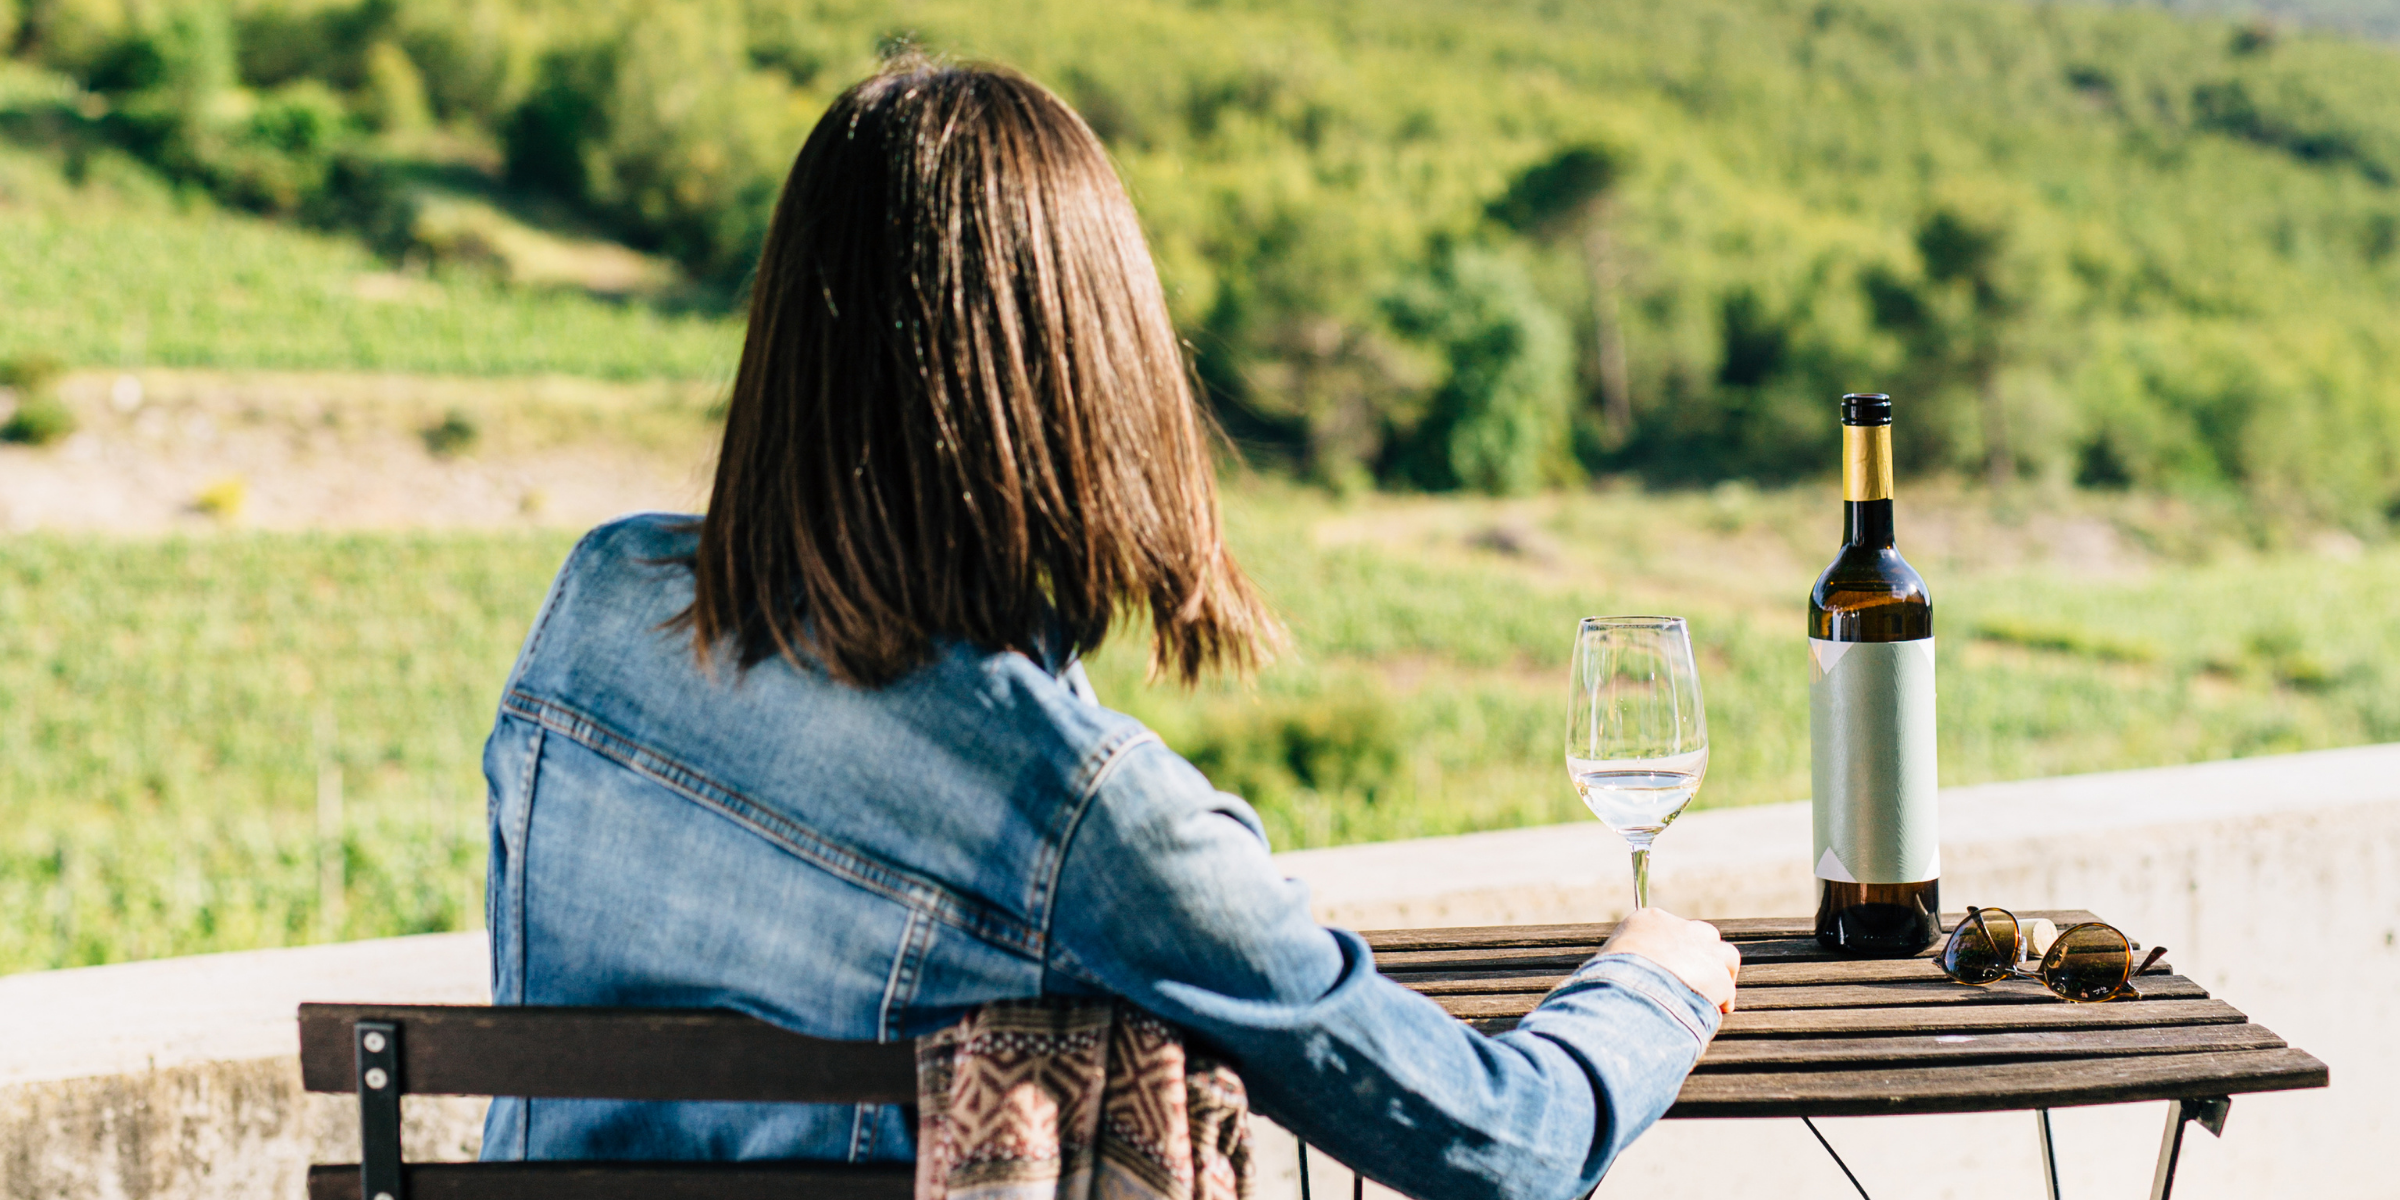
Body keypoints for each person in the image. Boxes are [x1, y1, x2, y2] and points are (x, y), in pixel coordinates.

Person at [477, 55, 1740, 1200]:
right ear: (1103, 373)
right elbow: (1506, 1144)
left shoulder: (601, 606)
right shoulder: (1086, 814)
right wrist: (1652, 980)